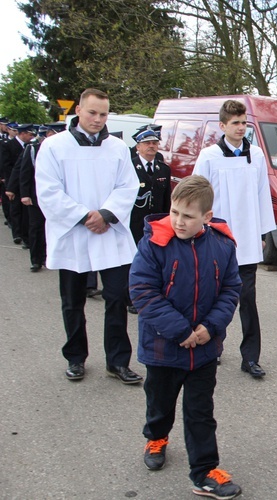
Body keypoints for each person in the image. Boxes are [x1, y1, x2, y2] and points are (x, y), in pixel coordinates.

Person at [129, 176, 242, 499]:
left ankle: (204, 472)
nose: (178, 221)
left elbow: (231, 289)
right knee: (160, 402)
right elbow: (143, 292)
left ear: (207, 217)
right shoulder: (154, 244)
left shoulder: (222, 245)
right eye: (175, 212)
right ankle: (157, 436)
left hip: (204, 350)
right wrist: (182, 331)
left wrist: (210, 327)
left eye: (188, 216)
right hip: (164, 347)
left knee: (200, 412)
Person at [35, 88, 143, 384]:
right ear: (79, 110)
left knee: (117, 298)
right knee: (72, 300)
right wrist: (85, 216)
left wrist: (105, 214)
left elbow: (128, 186)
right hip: (74, 233)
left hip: (109, 232)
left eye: (103, 114)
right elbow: (48, 191)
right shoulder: (55, 146)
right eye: (92, 112)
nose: (98, 119)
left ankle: (118, 361)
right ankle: (75, 357)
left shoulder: (118, 148)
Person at [193, 99, 275, 379]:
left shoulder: (258, 156)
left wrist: (263, 234)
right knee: (214, 297)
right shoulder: (208, 157)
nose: (241, 128)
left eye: (244, 123)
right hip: (217, 238)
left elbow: (264, 195)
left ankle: (250, 357)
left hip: (248, 241)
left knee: (247, 299)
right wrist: (199, 231)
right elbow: (197, 196)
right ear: (223, 126)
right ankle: (213, 346)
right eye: (235, 124)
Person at [127, 128, 172, 314]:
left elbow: (167, 199)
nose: (152, 146)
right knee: (134, 261)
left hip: (156, 223)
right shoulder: (130, 167)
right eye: (147, 143)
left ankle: (153, 295)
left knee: (154, 261)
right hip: (135, 222)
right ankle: (132, 298)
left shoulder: (163, 168)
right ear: (138, 146)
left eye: (154, 143)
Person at [18, 122, 66, 272]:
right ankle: (36, 260)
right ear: (49, 134)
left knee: (53, 228)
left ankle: (49, 256)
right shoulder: (33, 149)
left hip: (57, 198)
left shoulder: (64, 150)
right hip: (35, 197)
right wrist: (25, 194)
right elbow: (25, 173)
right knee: (36, 228)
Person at [3, 123, 36, 246]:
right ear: (22, 134)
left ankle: (26, 236)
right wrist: (9, 184)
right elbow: (8, 166)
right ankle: (17, 234)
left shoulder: (30, 146)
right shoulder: (8, 145)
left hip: (26, 183)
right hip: (13, 181)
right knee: (16, 209)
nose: (31, 137)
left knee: (26, 213)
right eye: (29, 134)